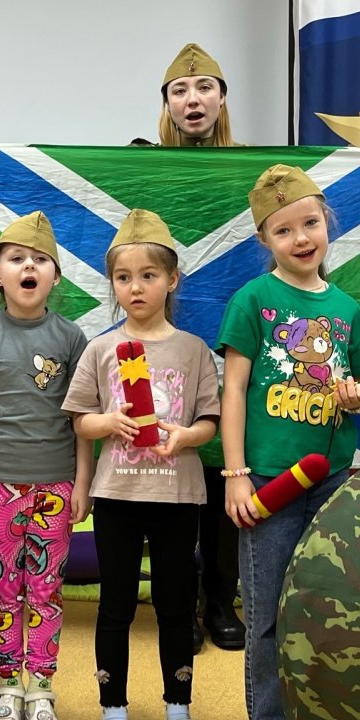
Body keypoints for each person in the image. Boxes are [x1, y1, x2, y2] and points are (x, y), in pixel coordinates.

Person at [217, 166, 360, 720]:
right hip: (267, 482)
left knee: (323, 606)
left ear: (327, 223)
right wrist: (235, 474)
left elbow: (356, 385)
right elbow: (233, 391)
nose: (301, 238)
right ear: (265, 239)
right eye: (283, 230)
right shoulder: (253, 301)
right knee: (266, 608)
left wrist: (357, 397)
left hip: (330, 481)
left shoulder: (346, 308)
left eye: (310, 223)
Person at [64, 209, 221, 720]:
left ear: (172, 280)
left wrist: (185, 436)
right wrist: (108, 422)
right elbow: (81, 421)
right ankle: (113, 715)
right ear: (111, 283)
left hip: (178, 497)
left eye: (148, 276)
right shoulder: (101, 349)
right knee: (116, 606)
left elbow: (210, 422)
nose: (135, 287)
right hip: (117, 498)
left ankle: (179, 711)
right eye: (123, 277)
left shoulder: (194, 349)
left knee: (177, 607)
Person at [0, 211, 92, 720]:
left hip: (55, 484)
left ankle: (41, 687)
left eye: (41, 260)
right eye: (17, 259)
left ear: (55, 277)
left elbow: (82, 419)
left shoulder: (72, 337)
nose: (29, 267)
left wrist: (83, 482)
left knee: (45, 590)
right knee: (3, 590)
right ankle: (8, 685)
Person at [153, 42, 245, 652]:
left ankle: (219, 600)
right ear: (166, 103)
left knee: (221, 476)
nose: (193, 99)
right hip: (164, 347)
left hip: (232, 346)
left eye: (205, 87)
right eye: (181, 91)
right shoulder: (141, 166)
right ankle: (177, 601)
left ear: (222, 98)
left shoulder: (252, 169)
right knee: (170, 481)